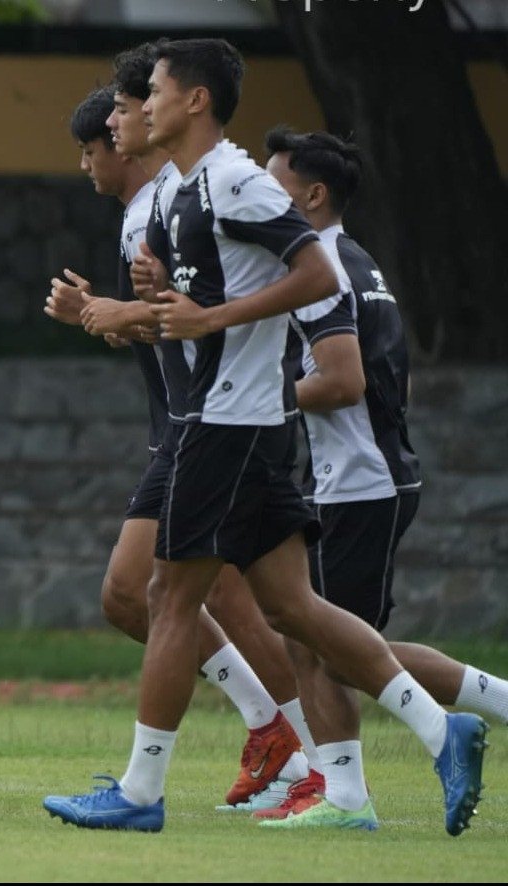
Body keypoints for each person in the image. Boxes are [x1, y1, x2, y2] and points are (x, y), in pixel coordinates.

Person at [43, 38, 487, 836]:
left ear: (195, 102)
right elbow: (199, 307)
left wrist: (196, 315)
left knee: (168, 598)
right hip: (243, 422)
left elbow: (316, 274)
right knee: (292, 607)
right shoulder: (190, 191)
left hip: (225, 423)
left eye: (155, 94)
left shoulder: (236, 181)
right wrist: (146, 303)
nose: (139, 108)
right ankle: (432, 731)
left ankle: (141, 795)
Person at [45, 70, 308, 811]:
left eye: (127, 114)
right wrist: (117, 313)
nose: (122, 130)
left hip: (215, 423)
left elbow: (189, 315)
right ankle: (300, 749)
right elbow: (170, 317)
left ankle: (301, 750)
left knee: (164, 595)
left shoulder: (196, 193)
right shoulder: (166, 203)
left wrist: (109, 311)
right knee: (227, 598)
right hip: (196, 423)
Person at [255, 127, 508, 830]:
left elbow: (342, 381)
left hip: (357, 483)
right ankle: (348, 796)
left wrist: (259, 399)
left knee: (335, 648)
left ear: (313, 194)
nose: (258, 201)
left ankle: (348, 802)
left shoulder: (319, 268)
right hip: (371, 474)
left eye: (272, 186)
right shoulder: (359, 260)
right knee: (319, 639)